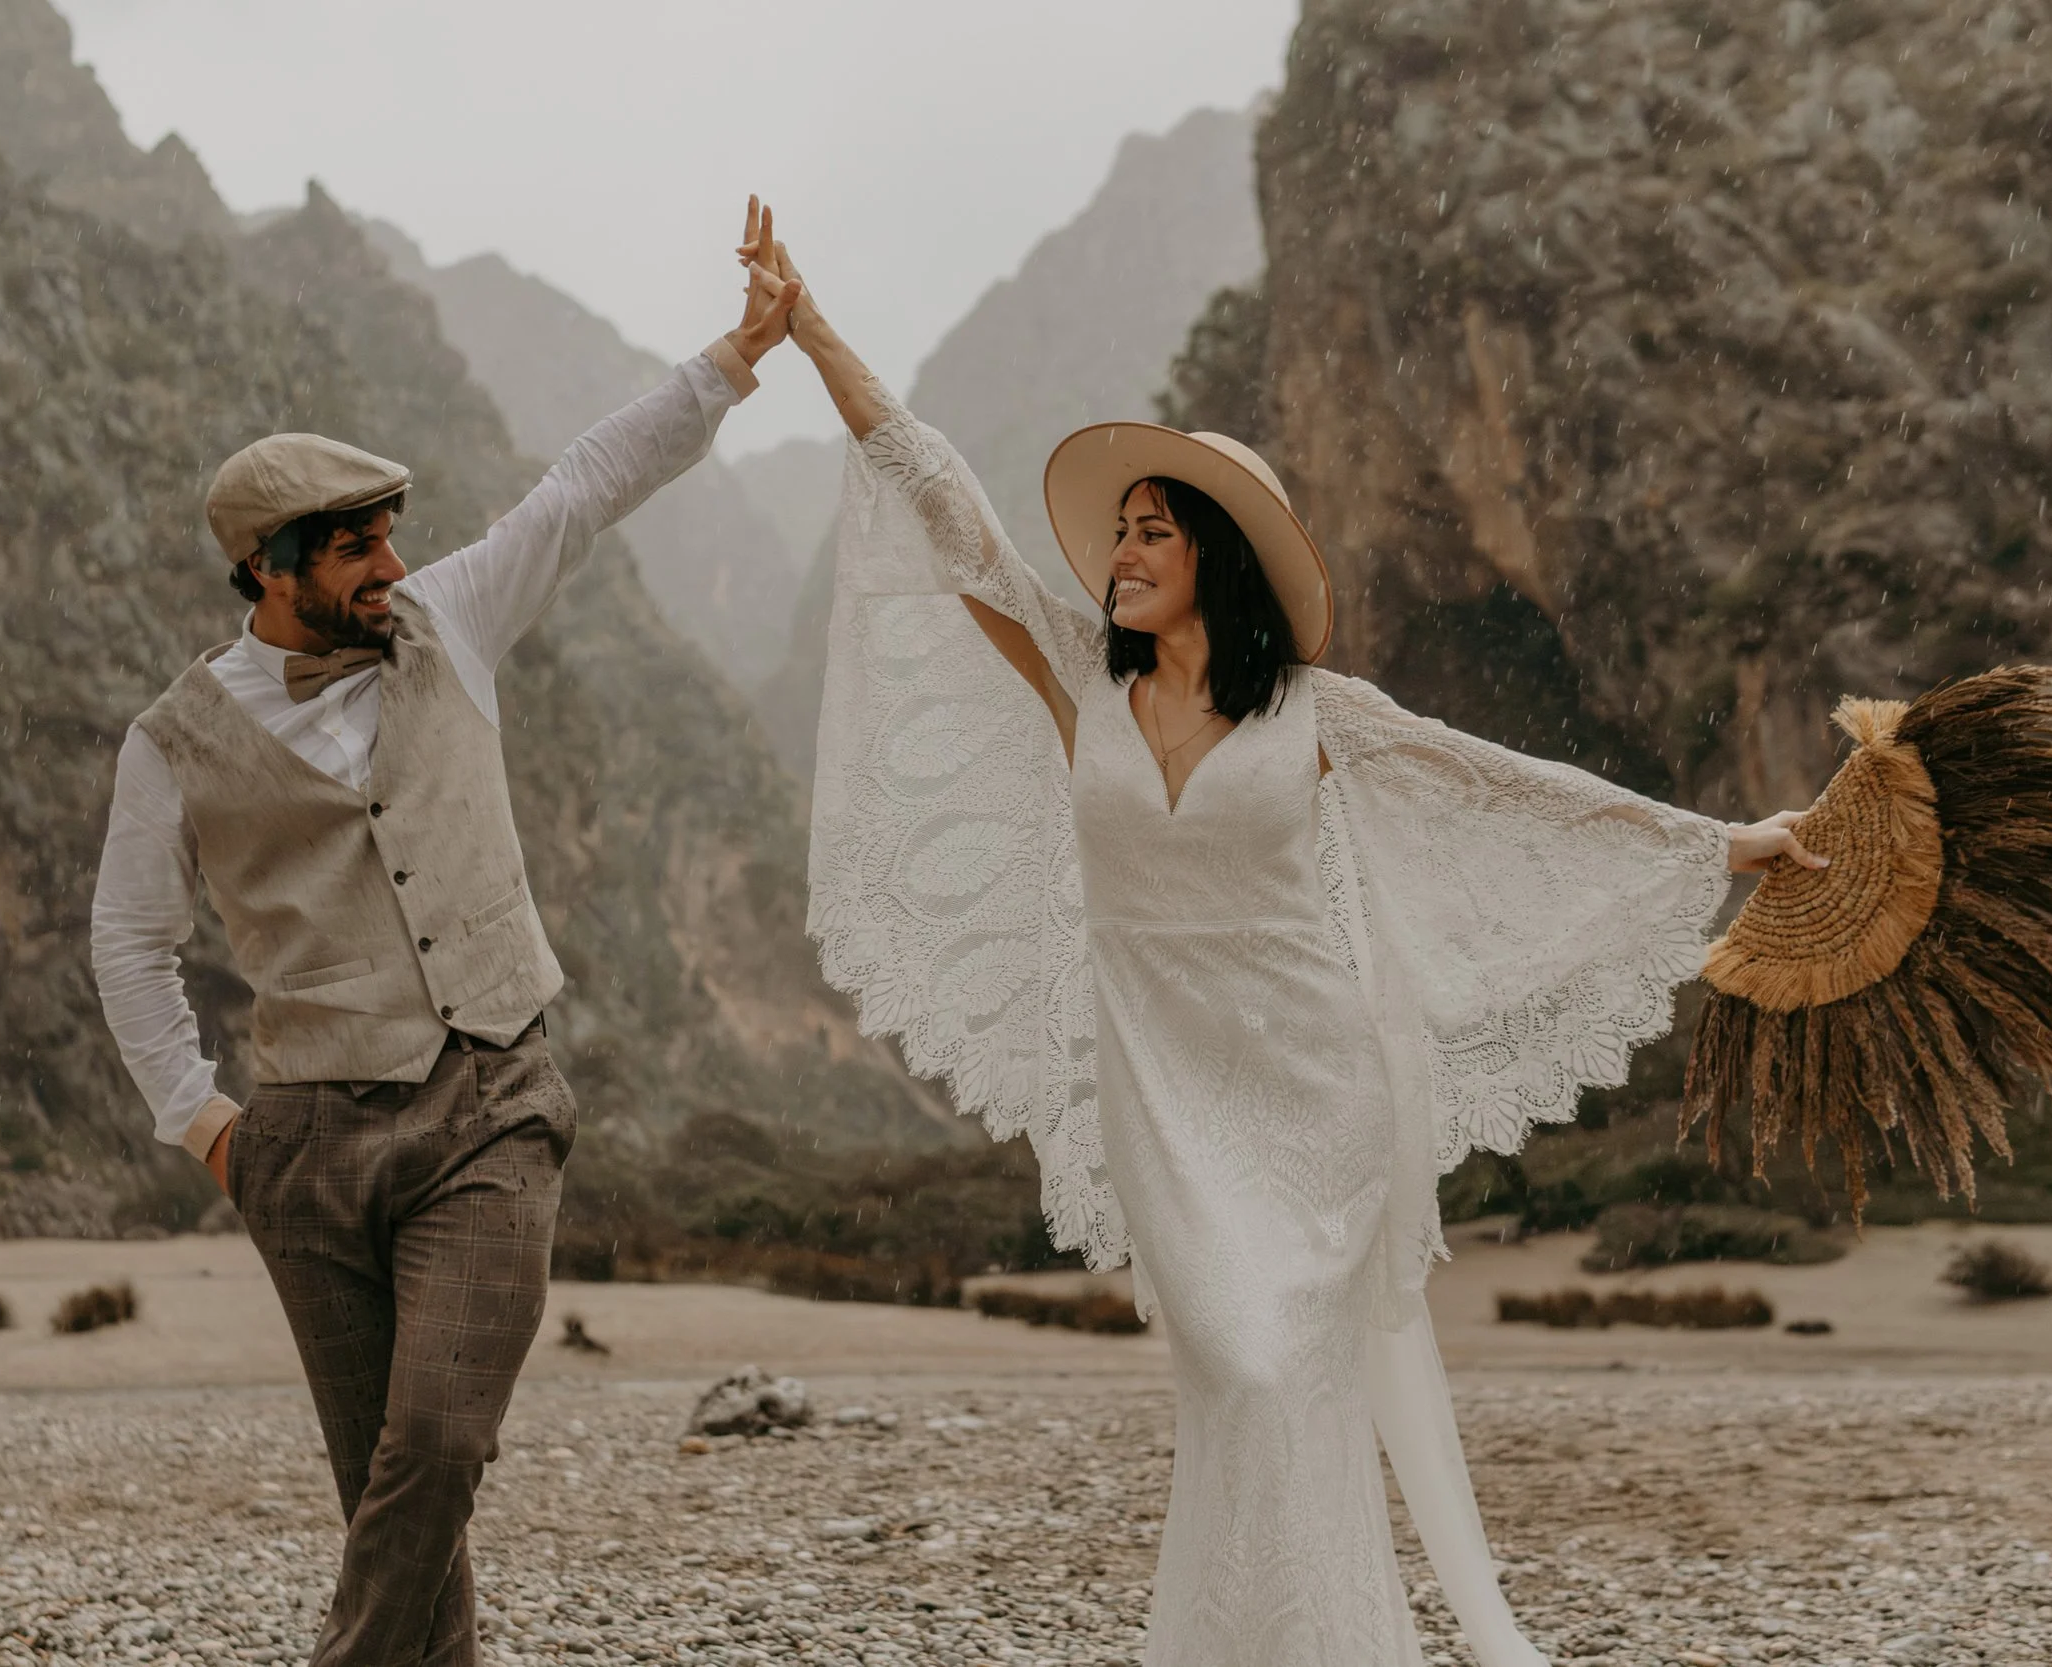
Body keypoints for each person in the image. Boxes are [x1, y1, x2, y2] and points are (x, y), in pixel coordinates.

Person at [758, 211, 1820, 1667]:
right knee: (1237, 1379)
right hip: (1167, 1097)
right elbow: (949, 509)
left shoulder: (1319, 719)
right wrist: (812, 330)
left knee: (1282, 1382)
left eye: (1150, 531)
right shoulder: (1085, 684)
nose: (1121, 553)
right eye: (1120, 529)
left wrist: (1714, 844)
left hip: (1315, 1097)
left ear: (1215, 562)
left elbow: (1509, 789)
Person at [88, 208, 799, 1667]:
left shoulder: (450, 622)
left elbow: (584, 487)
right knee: (393, 1496)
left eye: (391, 533)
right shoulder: (173, 742)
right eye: (354, 547)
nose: (391, 562)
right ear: (269, 570)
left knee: (439, 1442)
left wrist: (737, 356)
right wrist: (207, 1125)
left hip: (492, 1104)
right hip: (303, 1144)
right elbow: (129, 946)